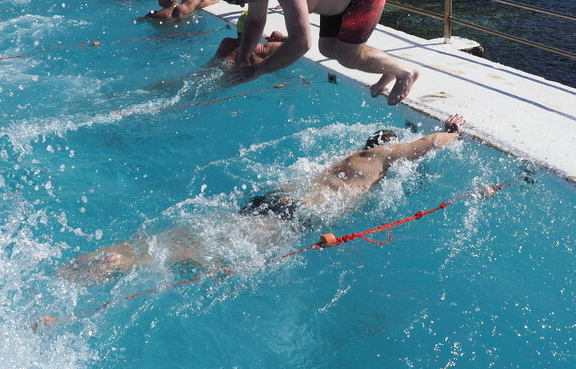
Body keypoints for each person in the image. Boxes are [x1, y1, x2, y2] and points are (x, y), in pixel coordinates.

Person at [62, 114, 468, 283]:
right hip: (293, 213)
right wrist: (453, 131)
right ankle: (120, 261)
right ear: (386, 143)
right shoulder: (380, 156)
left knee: (196, 235)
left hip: (278, 199)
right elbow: (427, 143)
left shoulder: (341, 162)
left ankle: (109, 254)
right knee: (203, 249)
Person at [211, 0, 419, 105]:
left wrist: (257, 71)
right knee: (328, 49)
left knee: (348, 55)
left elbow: (301, 42)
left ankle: (405, 72)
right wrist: (244, 57)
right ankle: (390, 68)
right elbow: (255, 21)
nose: (241, 5)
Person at [212, 12, 287, 66]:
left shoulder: (226, 43)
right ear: (259, 31)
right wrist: (280, 38)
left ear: (238, 29)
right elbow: (296, 42)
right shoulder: (262, 50)